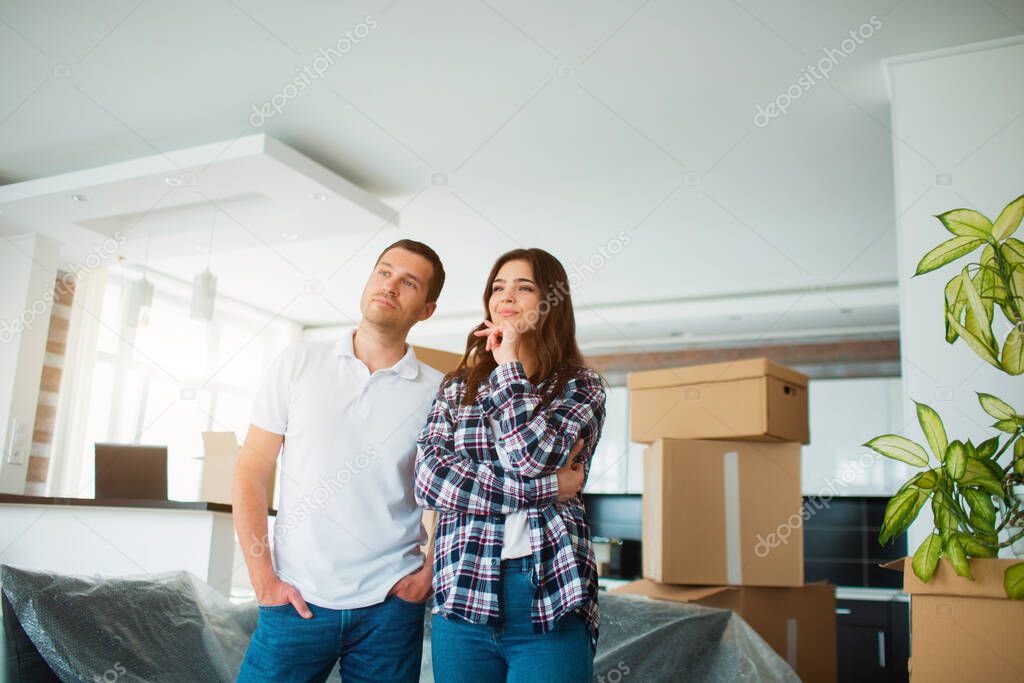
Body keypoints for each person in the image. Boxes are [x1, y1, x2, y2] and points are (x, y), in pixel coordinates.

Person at [234, 239, 446, 683]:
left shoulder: (439, 391)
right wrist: (262, 578)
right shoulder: (297, 362)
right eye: (384, 272)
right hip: (294, 600)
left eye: (408, 283)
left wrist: (427, 576)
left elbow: (454, 495)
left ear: (426, 310)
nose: (389, 286)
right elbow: (251, 472)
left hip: (390, 607)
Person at [415, 247, 607, 683]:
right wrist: (543, 489)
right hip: (464, 587)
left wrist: (509, 369)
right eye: (498, 287)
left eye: (524, 287)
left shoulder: (581, 386)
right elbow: (431, 481)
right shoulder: (456, 387)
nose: (506, 297)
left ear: (550, 304)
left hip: (548, 592)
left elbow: (534, 455)